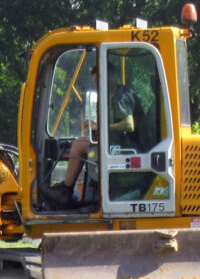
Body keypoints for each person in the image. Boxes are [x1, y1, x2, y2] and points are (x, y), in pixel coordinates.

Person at [43, 64, 142, 207]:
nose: (96, 85)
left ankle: (65, 191)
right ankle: (65, 188)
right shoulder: (120, 93)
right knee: (81, 142)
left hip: (126, 146)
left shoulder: (120, 94)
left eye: (97, 80)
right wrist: (97, 126)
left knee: (78, 145)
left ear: (109, 76)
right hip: (120, 143)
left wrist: (100, 127)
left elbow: (129, 125)